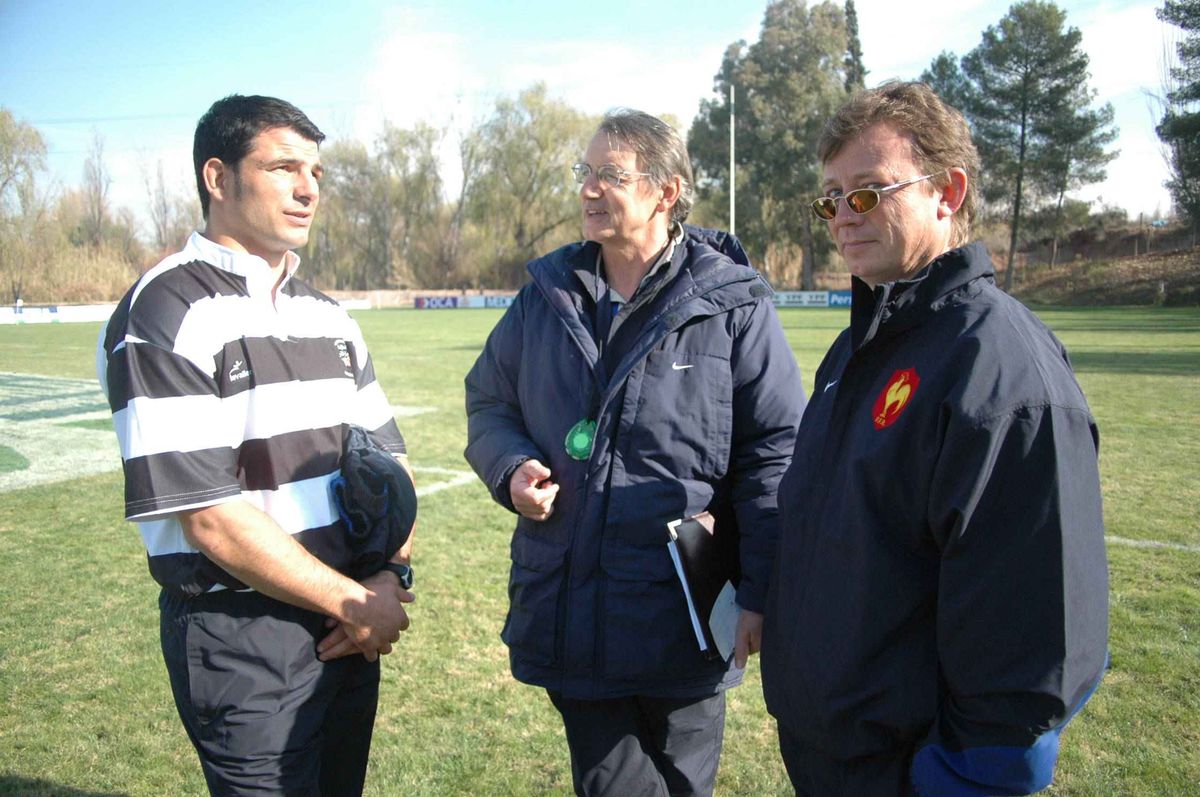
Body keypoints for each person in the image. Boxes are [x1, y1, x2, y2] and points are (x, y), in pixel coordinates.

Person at [760, 81, 1109, 796]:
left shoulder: (1002, 371)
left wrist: (955, 779)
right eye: (831, 199)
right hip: (832, 754)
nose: (843, 216)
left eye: (867, 192)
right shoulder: (858, 349)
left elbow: (1035, 641)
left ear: (947, 192)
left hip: (911, 771)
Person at [464, 109, 804, 797]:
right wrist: (511, 466)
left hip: (685, 617)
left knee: (683, 785)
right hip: (573, 609)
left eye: (610, 175)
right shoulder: (546, 295)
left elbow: (774, 454)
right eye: (584, 172)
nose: (588, 188)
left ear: (666, 191)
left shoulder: (731, 305)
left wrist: (761, 590)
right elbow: (489, 402)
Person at [96, 94, 415, 796]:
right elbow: (209, 516)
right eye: (283, 168)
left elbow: (390, 468)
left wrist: (390, 580)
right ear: (218, 177)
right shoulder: (167, 309)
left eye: (316, 173)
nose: (308, 189)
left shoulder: (327, 315)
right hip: (244, 636)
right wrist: (353, 601)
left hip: (348, 625)